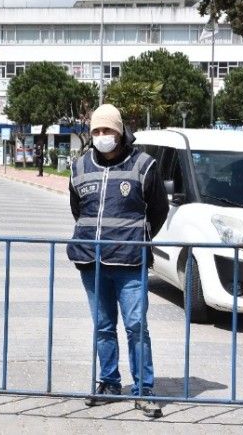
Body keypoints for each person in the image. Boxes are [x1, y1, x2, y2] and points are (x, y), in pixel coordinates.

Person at [66, 104, 169, 417]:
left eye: (108, 130)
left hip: (129, 262)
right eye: (97, 131)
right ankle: (109, 383)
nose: (102, 136)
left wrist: (136, 237)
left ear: (121, 132)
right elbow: (78, 210)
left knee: (137, 326)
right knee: (103, 327)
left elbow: (158, 211)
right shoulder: (79, 166)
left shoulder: (144, 165)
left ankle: (143, 390)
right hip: (91, 262)